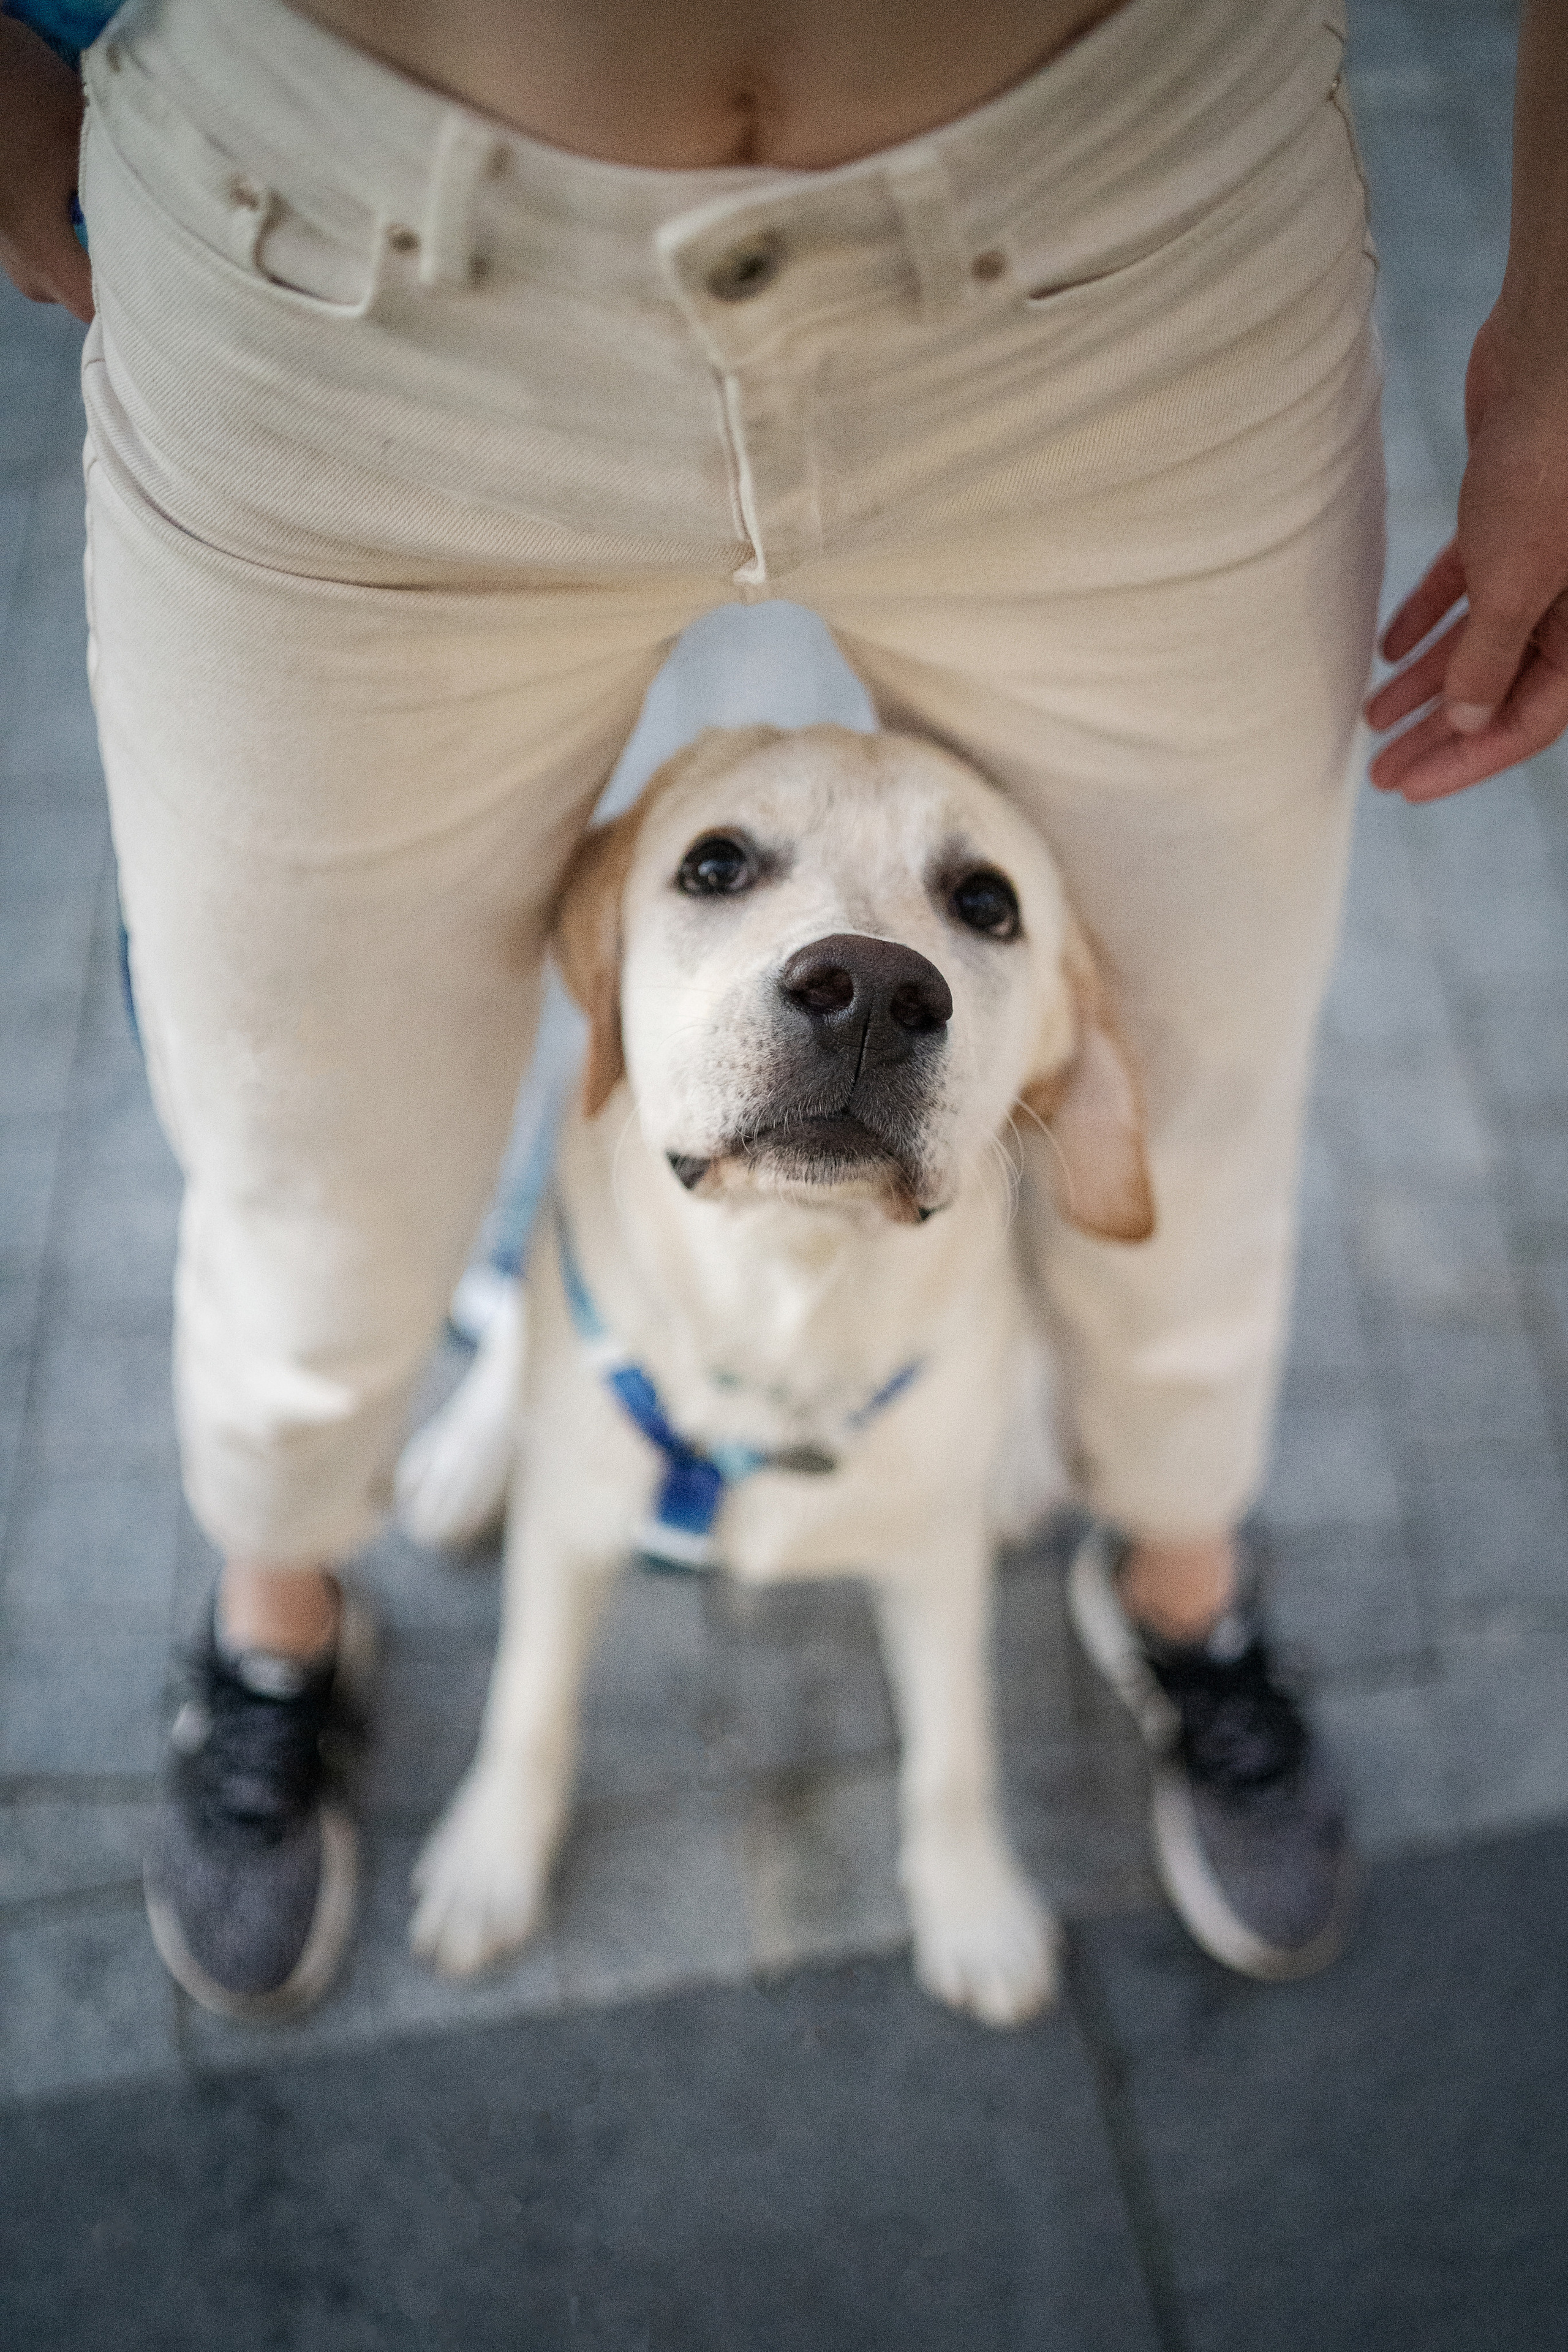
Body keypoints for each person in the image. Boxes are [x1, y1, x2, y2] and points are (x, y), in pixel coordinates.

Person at [1, 0, 1564, 2016]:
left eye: (967, 924)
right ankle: (282, 1616)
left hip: (1132, 237)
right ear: (613, 960)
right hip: (332, 252)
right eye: (721, 880)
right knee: (306, 1154)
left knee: (1202, 1096)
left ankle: (1180, 1584)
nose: (859, 977)